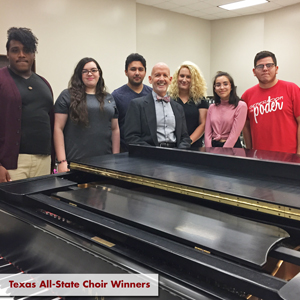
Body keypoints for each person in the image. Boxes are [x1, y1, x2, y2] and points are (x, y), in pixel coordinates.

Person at [0, 27, 53, 183]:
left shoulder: (44, 83)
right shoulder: (2, 80)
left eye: (27, 50)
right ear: (8, 53)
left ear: (33, 54)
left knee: (39, 207)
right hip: (12, 164)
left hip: (44, 160)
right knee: (10, 207)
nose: (21, 55)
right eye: (15, 50)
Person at [54, 57, 120, 173]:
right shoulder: (67, 96)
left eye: (94, 70)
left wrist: (116, 159)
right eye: (85, 71)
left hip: (106, 163)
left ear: (99, 73)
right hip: (75, 163)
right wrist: (62, 161)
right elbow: (58, 128)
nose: (90, 74)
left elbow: (115, 129)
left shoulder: (109, 98)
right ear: (79, 75)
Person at [242, 51, 300, 154]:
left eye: (269, 65)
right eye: (260, 66)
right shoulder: (247, 95)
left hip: (289, 158)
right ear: (254, 71)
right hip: (260, 158)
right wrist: (250, 152)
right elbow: (245, 126)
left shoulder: (292, 89)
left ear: (276, 69)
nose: (265, 69)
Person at [124, 62, 191, 149]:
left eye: (165, 75)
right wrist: (154, 153)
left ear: (170, 80)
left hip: (175, 156)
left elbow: (185, 137)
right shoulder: (137, 105)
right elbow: (131, 137)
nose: (161, 79)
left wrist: (180, 152)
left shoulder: (178, 108)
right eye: (157, 75)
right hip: (149, 157)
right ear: (150, 79)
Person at [112, 53, 152, 151]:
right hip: (125, 151)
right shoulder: (116, 96)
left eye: (140, 69)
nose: (137, 73)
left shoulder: (152, 94)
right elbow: (113, 128)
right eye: (133, 69)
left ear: (145, 72)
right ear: (126, 72)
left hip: (150, 150)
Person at [168, 61, 208, 147]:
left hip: (194, 146)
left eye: (188, 77)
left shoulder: (201, 100)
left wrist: (187, 142)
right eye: (182, 76)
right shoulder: (169, 98)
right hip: (172, 145)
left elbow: (203, 124)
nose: (184, 80)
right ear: (176, 77)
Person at [205, 72, 247, 148]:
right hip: (213, 147)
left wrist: (223, 153)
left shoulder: (240, 106)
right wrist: (209, 151)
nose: (221, 87)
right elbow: (207, 133)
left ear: (231, 86)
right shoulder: (212, 107)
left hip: (232, 148)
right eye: (218, 85)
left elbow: (234, 135)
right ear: (214, 88)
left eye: (225, 84)